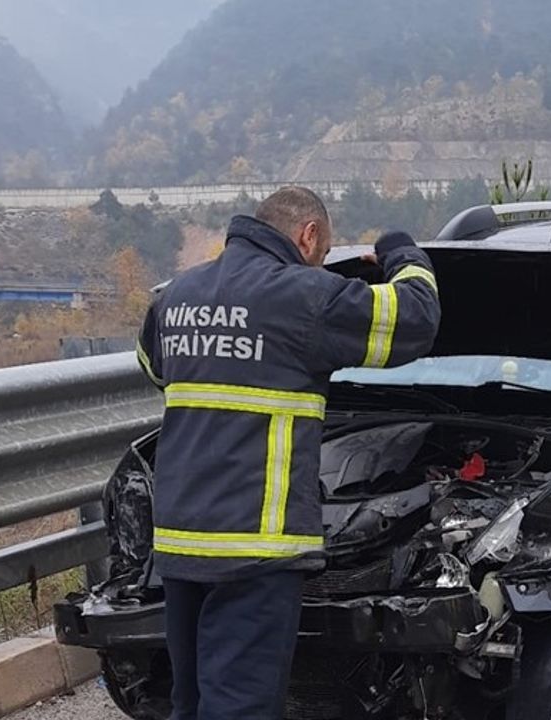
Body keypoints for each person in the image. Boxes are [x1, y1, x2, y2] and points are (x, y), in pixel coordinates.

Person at [135, 187, 442, 716]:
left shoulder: (177, 296)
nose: (321, 263)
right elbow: (414, 319)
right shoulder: (306, 296)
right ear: (308, 236)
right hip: (254, 549)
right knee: (241, 709)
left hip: (181, 542)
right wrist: (401, 253)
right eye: (323, 255)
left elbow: (153, 365)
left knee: (193, 703)